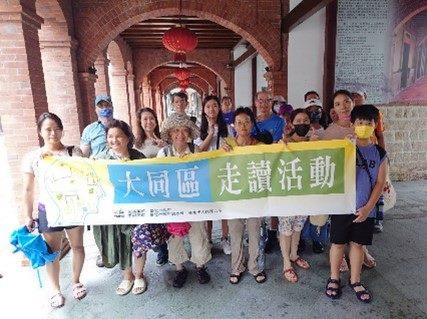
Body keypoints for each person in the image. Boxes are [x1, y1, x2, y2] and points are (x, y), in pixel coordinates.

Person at [22, 112, 86, 308]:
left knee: (78, 246)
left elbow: (86, 177)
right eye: (48, 129)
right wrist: (28, 214)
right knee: (52, 252)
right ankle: (55, 290)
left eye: (57, 129)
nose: (53, 133)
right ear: (40, 132)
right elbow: (28, 189)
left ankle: (76, 282)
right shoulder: (33, 157)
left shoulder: (74, 152)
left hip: (73, 207)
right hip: (48, 210)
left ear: (62, 130)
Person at [325, 104, 387, 303]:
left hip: (364, 208)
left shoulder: (379, 153)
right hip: (342, 206)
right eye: (360, 122)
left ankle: (355, 280)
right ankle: (334, 278)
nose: (364, 125)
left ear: (375, 125)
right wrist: (347, 148)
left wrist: (369, 208)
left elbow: (380, 182)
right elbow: (334, 174)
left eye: (368, 122)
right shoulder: (344, 146)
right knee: (337, 243)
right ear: (353, 124)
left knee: (358, 245)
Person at [94, 120, 162, 296]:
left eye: (118, 136)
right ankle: (127, 277)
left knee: (139, 241)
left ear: (127, 138)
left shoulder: (138, 157)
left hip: (137, 211)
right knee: (120, 242)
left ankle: (139, 275)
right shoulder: (100, 160)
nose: (114, 140)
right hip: (113, 212)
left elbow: (149, 181)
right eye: (110, 136)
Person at [158, 113, 212, 288]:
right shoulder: (163, 153)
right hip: (173, 204)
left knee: (199, 235)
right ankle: (180, 269)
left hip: (194, 201)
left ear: (189, 133)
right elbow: (156, 176)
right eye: (176, 131)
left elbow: (206, 171)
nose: (180, 134)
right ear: (170, 134)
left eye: (183, 131)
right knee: (175, 237)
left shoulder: (196, 151)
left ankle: (200, 266)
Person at [222, 107, 267, 285]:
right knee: (236, 234)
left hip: (255, 197)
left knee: (255, 233)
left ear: (252, 124)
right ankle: (236, 268)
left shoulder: (261, 147)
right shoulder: (226, 144)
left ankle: (255, 267)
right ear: (234, 125)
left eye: (247, 121)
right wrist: (221, 153)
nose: (243, 125)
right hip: (234, 198)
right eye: (239, 122)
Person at [80, 94, 115, 267]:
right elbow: (84, 154)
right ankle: (103, 253)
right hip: (97, 180)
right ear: (95, 109)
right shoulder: (89, 130)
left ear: (112, 105)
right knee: (99, 217)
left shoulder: (120, 126)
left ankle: (119, 250)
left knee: (117, 215)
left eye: (107, 104)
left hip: (116, 178)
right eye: (100, 105)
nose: (104, 108)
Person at [194, 95, 231, 255]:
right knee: (208, 207)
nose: (212, 109)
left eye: (215, 105)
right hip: (205, 172)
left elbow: (231, 146)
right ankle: (208, 239)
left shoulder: (227, 127)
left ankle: (224, 238)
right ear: (203, 109)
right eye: (208, 106)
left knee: (223, 207)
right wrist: (210, 134)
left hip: (222, 171)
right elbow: (199, 150)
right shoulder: (197, 127)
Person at [279, 109, 311, 283]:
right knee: (286, 228)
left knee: (298, 226)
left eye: (305, 120)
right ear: (292, 123)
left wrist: (315, 145)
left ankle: (294, 254)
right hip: (287, 194)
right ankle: (286, 263)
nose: (302, 123)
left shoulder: (315, 142)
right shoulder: (284, 142)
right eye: (298, 120)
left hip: (305, 193)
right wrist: (280, 147)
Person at [134, 107, 169, 266]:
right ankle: (159, 248)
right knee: (152, 221)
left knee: (164, 220)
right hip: (146, 188)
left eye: (151, 118)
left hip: (164, 186)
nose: (149, 122)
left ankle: (166, 249)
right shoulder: (136, 144)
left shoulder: (164, 139)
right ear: (140, 122)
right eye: (145, 119)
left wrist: (164, 147)